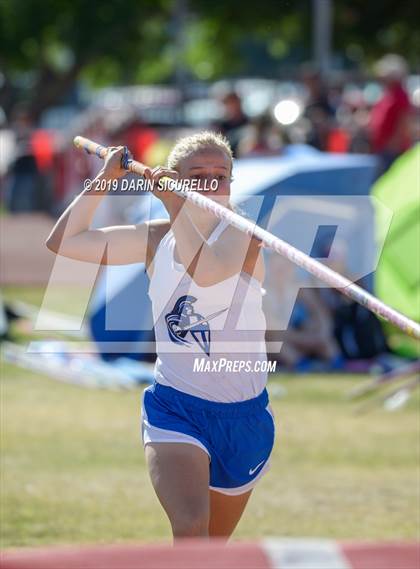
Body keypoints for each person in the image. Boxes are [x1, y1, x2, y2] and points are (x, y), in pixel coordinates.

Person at [45, 131, 275, 541]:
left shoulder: (245, 236)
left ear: (230, 183)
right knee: (189, 530)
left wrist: (174, 204)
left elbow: (204, 272)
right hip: (176, 410)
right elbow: (64, 242)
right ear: (173, 177)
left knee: (212, 550)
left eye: (219, 176)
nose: (208, 185)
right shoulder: (155, 238)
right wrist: (105, 180)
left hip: (244, 417)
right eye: (196, 176)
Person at [369, 54, 413, 175]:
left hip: (392, 151)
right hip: (383, 148)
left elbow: (403, 123)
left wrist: (392, 146)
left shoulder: (400, 95)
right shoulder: (389, 93)